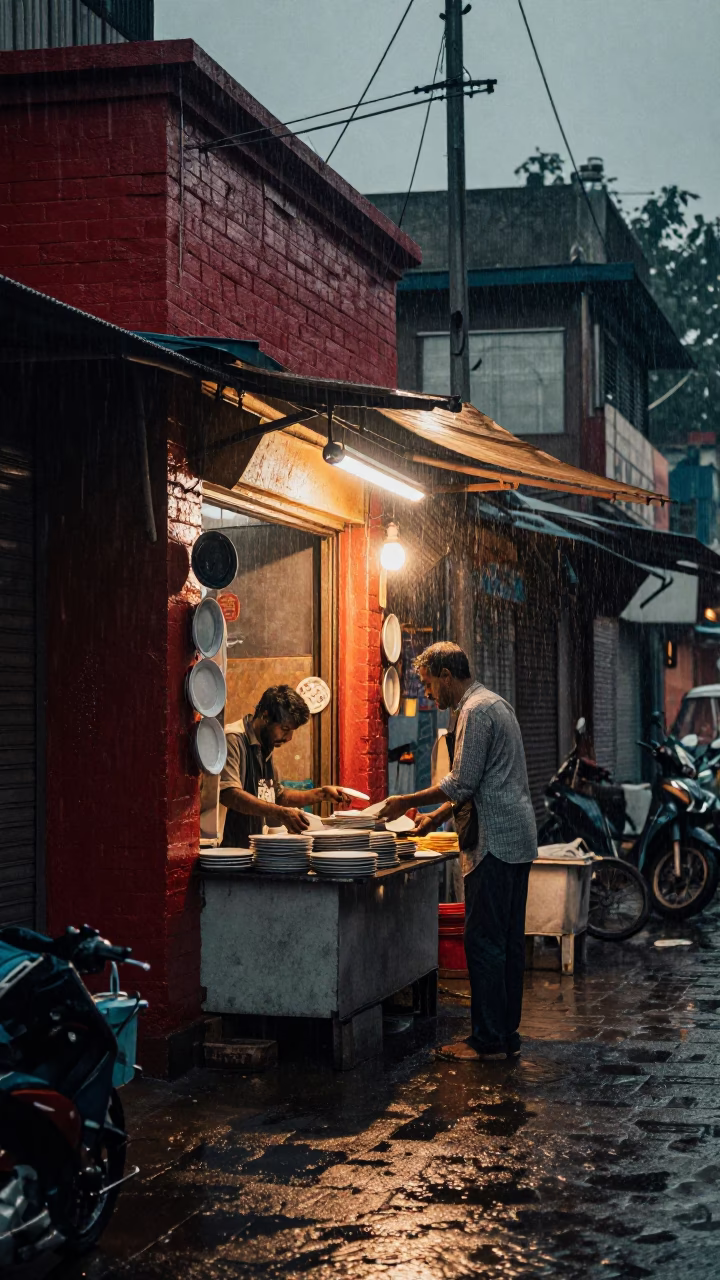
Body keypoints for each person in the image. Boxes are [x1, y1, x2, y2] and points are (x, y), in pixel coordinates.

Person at [378, 642, 537, 1063]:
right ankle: (505, 1036)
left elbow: (462, 782)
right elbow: (480, 782)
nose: (428, 694)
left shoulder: (474, 711)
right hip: (515, 840)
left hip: (496, 842)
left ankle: (487, 1041)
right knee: (505, 941)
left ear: (447, 675)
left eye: (429, 684)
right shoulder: (494, 703)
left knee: (483, 939)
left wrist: (403, 800)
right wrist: (434, 819)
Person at [220, 685, 352, 846]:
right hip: (226, 852)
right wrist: (280, 813)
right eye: (284, 729)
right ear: (266, 716)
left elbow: (277, 795)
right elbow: (229, 794)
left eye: (292, 731)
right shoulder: (233, 739)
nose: (289, 737)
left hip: (252, 851)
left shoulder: (265, 743)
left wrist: (322, 794)